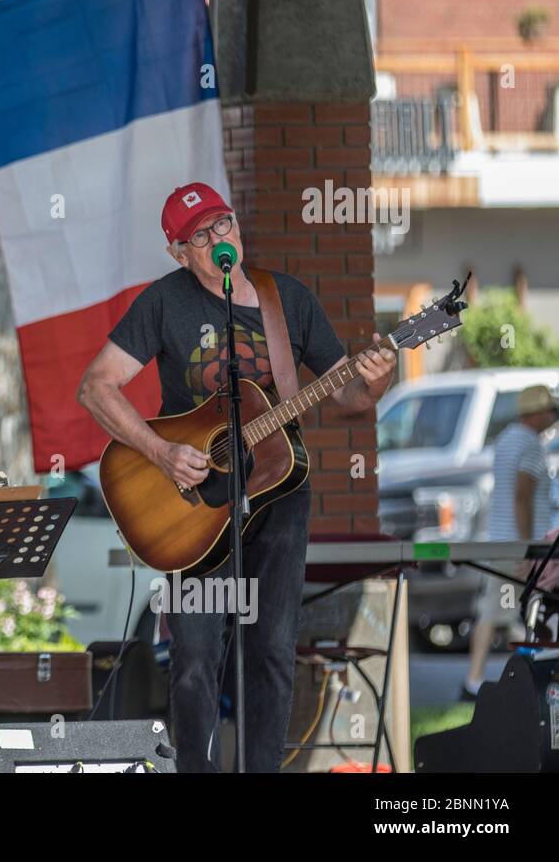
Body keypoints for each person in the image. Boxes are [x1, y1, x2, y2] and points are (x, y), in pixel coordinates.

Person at [77, 181, 396, 772]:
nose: (219, 239)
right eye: (201, 235)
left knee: (272, 653)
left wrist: (376, 378)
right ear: (180, 252)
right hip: (194, 506)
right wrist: (160, 451)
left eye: (223, 224)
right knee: (196, 659)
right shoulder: (163, 302)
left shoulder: (288, 300)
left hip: (278, 497)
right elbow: (96, 387)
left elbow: (349, 394)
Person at [462, 383, 558, 699]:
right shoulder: (530, 444)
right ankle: (475, 681)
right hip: (519, 545)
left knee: (512, 611)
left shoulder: (505, 439)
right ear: (538, 413)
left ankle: (516, 679)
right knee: (503, 611)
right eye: (550, 411)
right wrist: (529, 548)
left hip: (500, 539)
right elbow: (522, 496)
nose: (553, 417)